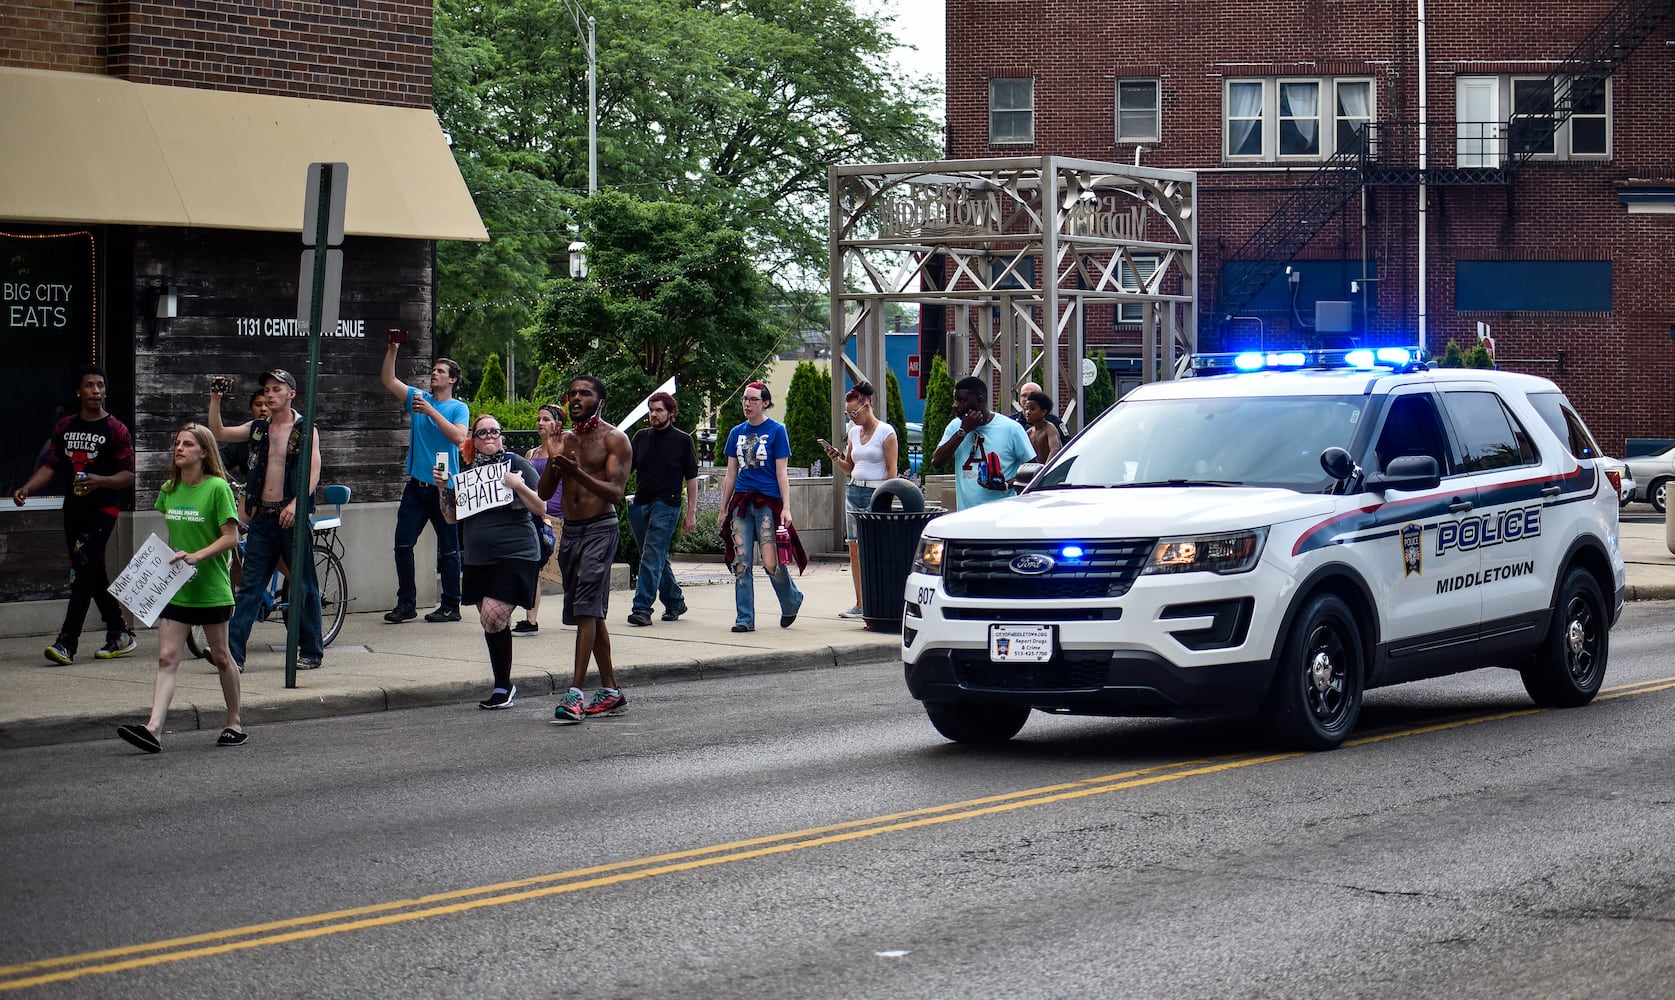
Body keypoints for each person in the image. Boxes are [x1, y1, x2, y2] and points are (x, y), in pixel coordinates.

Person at [115, 424, 245, 753]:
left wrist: (197, 556)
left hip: (211, 586)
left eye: (188, 444)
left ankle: (233, 722)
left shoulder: (217, 488)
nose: (180, 448)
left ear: (204, 452)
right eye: (177, 443)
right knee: (166, 657)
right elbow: (175, 536)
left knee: (220, 656)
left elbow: (232, 537)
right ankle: (154, 729)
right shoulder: (169, 489)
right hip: (176, 587)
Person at [11, 365, 137, 665]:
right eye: (90, 386)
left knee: (81, 576)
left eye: (100, 386)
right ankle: (120, 632)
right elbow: (51, 465)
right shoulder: (65, 426)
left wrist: (100, 481)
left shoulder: (115, 429)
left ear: (105, 391)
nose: (96, 391)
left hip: (103, 510)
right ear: (79, 391)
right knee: (92, 574)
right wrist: (27, 489)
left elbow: (129, 475)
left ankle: (67, 642)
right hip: (74, 509)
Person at [209, 368, 325, 671]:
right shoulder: (259, 428)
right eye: (267, 390)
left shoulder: (305, 428)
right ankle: (234, 656)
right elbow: (219, 432)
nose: (270, 394)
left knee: (303, 584)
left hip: (292, 519)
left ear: (291, 394)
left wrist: (297, 505)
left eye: (276, 389)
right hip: (263, 517)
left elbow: (313, 472)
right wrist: (215, 398)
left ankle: (311, 650)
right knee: (249, 587)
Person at [436, 413, 547, 709]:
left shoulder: (516, 464)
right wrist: (443, 487)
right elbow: (449, 517)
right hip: (478, 557)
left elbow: (541, 506)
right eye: (481, 433)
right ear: (473, 439)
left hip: (516, 552)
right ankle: (503, 685)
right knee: (493, 622)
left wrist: (517, 485)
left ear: (501, 436)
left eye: (493, 432)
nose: (488, 437)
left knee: (494, 616)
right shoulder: (467, 470)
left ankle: (502, 685)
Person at [538, 376, 632, 724]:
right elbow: (546, 493)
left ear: (600, 401)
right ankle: (610, 690)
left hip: (600, 529)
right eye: (573, 394)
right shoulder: (564, 440)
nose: (576, 398)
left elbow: (615, 493)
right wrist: (554, 457)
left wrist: (577, 473)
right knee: (590, 612)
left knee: (586, 608)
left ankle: (575, 693)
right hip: (571, 532)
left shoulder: (614, 439)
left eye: (585, 393)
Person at [380, 341, 469, 624]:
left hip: (446, 488)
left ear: (452, 379)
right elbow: (388, 380)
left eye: (440, 371)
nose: (434, 374)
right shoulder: (419, 397)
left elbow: (459, 437)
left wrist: (431, 412)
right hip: (416, 487)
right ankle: (406, 603)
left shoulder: (458, 408)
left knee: (449, 549)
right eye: (432, 370)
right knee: (402, 544)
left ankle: (451, 605)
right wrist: (393, 349)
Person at [717, 381, 804, 634]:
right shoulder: (736, 432)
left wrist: (786, 508)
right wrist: (723, 510)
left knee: (770, 563)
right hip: (741, 504)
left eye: (753, 399)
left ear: (765, 402)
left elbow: (782, 473)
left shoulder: (777, 431)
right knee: (741, 561)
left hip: (767, 504)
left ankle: (791, 600)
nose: (747, 404)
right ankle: (744, 617)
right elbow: (731, 473)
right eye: (745, 399)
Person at [820, 381, 897, 619]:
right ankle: (860, 602)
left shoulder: (886, 432)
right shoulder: (853, 432)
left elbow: (892, 472)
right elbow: (850, 467)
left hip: (876, 492)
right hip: (854, 490)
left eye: (855, 412)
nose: (853, 417)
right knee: (854, 548)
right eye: (848, 414)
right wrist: (835, 458)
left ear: (868, 405)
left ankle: (879, 599)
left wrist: (885, 497)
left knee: (874, 548)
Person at [625, 391, 699, 627]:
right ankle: (675, 601)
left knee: (651, 555)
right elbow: (627, 469)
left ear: (671, 413)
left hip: (667, 505)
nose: (653, 414)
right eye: (651, 410)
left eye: (659, 410)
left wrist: (691, 513)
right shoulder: (640, 437)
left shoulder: (683, 440)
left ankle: (642, 608)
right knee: (653, 556)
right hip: (640, 504)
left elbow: (692, 478)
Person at [931, 376, 1037, 510]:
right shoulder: (955, 427)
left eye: (962, 400)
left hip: (1002, 516)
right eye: (955, 400)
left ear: (980, 400)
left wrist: (1005, 484)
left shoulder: (1011, 428)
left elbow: (1034, 469)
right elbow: (936, 461)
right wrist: (963, 430)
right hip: (966, 516)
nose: (955, 406)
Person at [516, 403, 566, 635]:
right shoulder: (531, 454)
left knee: (568, 569)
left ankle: (579, 609)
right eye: (538, 419)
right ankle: (531, 619)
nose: (540, 423)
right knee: (534, 567)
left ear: (558, 424)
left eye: (546, 419)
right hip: (538, 515)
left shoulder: (564, 449)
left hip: (561, 516)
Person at [1012, 380, 1068, 445]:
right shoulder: (1011, 422)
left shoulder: (1053, 422)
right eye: (1024, 395)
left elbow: (1065, 446)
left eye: (1033, 395)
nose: (1028, 399)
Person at [1021, 390, 1063, 465]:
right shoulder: (1029, 433)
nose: (1028, 412)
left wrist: (1044, 470)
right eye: (1026, 409)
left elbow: (1055, 448)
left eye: (1032, 409)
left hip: (1050, 471)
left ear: (1043, 412)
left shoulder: (1049, 428)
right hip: (1035, 472)